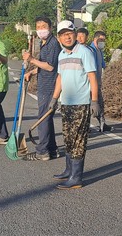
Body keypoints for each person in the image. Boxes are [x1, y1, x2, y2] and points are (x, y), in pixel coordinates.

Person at [50, 20, 99, 189]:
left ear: (75, 34)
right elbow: (60, 78)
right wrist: (54, 99)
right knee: (68, 137)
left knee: (78, 140)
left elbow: (93, 77)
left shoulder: (84, 52)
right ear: (59, 38)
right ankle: (68, 170)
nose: (67, 37)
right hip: (67, 103)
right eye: (63, 34)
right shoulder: (62, 55)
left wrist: (94, 101)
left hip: (81, 104)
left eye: (69, 33)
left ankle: (76, 177)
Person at [22, 17, 62, 161]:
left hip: (49, 86)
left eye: (44, 26)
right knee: (47, 118)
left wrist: (31, 59)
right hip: (44, 83)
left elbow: (50, 66)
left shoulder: (53, 44)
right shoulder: (44, 42)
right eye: (38, 27)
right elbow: (44, 65)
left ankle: (42, 151)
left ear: (50, 28)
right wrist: (31, 72)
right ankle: (52, 149)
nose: (40, 29)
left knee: (43, 118)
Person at [88, 31, 112, 132]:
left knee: (100, 104)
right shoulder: (90, 51)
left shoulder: (100, 51)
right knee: (89, 105)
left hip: (97, 83)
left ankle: (102, 123)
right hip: (90, 84)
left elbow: (103, 65)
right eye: (100, 40)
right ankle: (86, 126)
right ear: (95, 39)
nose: (102, 42)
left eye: (103, 40)